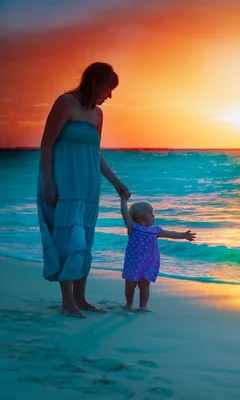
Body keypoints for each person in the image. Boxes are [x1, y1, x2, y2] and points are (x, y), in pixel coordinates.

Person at [37, 62, 130, 318]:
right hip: (63, 183)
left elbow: (95, 154)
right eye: (108, 88)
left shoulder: (98, 114)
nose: (109, 95)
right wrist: (48, 183)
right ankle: (67, 302)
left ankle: (80, 298)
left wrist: (117, 182)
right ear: (94, 82)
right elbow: (46, 145)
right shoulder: (65, 102)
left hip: (88, 186)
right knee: (69, 239)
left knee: (85, 241)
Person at [120, 198, 196, 312]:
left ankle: (143, 306)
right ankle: (128, 304)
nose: (153, 216)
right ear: (140, 217)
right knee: (130, 283)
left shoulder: (155, 231)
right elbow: (125, 214)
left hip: (149, 262)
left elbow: (170, 234)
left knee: (145, 284)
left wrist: (182, 235)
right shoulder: (133, 227)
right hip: (133, 262)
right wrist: (123, 202)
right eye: (150, 213)